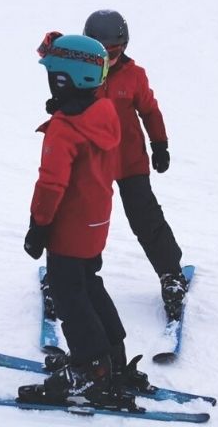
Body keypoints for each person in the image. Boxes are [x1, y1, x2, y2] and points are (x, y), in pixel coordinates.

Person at [18, 34, 136, 409]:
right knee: (88, 284)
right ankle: (112, 357)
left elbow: (51, 185)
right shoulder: (103, 114)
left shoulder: (66, 128)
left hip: (68, 229)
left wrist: (38, 227)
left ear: (66, 79)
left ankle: (91, 369)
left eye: (53, 75)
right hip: (96, 223)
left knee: (68, 294)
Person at [81, 11, 188, 323]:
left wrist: (160, 144)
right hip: (90, 163)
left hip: (129, 161)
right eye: (100, 51)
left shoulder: (134, 75)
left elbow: (150, 111)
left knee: (146, 219)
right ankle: (65, 275)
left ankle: (171, 274)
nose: (107, 59)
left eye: (113, 52)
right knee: (78, 220)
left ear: (123, 47)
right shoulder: (80, 72)